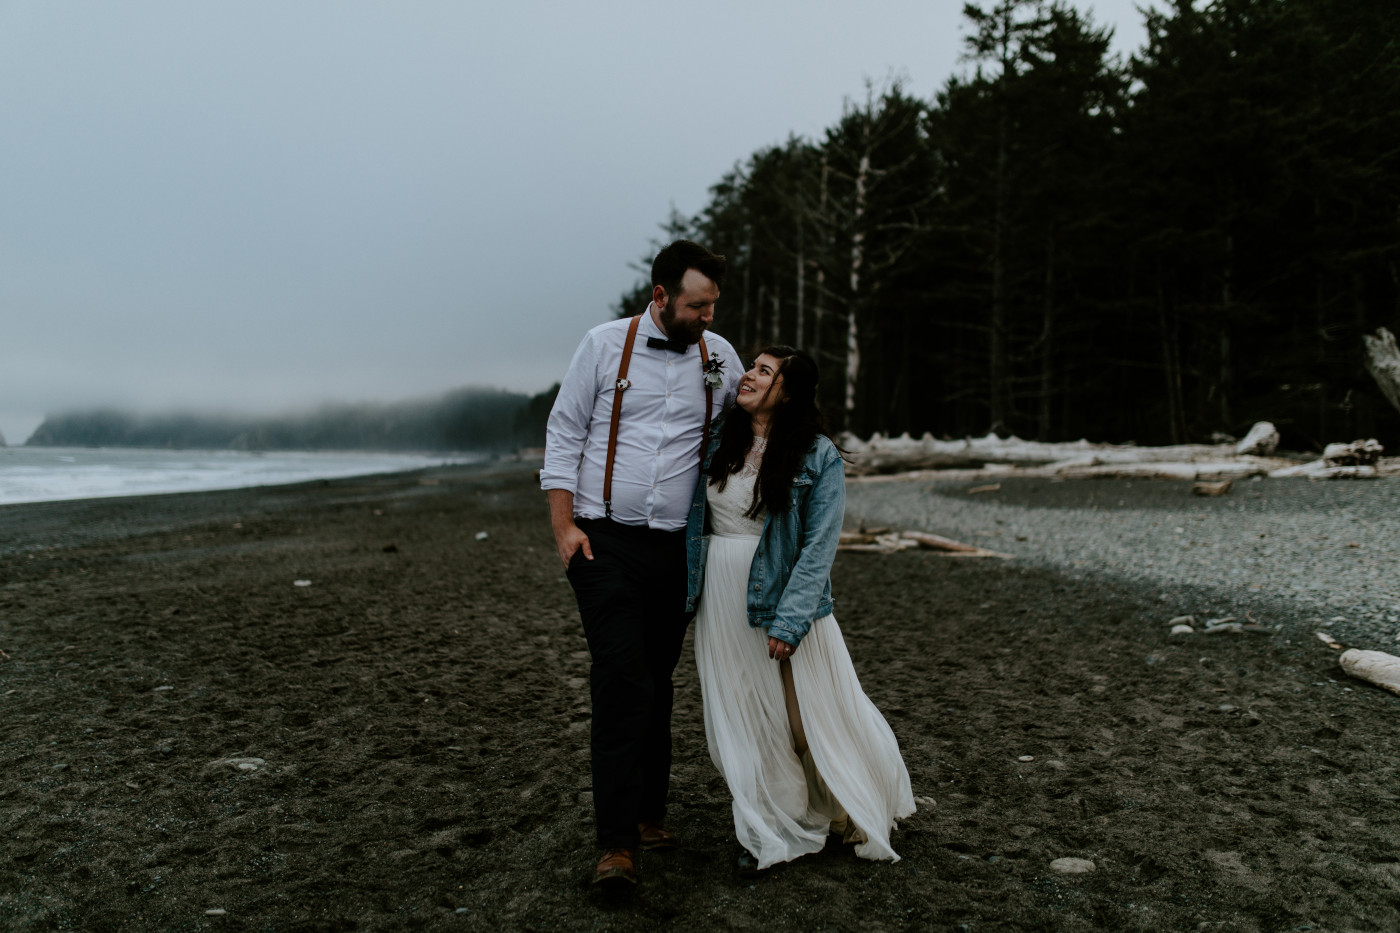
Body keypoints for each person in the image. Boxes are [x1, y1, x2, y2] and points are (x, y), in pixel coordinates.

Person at [541, 240, 744, 888]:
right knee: (621, 677)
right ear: (660, 297)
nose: (709, 315)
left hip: (679, 548)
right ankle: (616, 845)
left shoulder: (720, 359)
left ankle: (650, 813)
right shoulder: (603, 345)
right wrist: (564, 527)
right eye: (697, 304)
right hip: (603, 542)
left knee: (657, 677)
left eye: (713, 303)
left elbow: (755, 423)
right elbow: (565, 431)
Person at [684, 345, 915, 870]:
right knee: (746, 715)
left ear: (786, 391)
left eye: (763, 371)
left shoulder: (817, 454)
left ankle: (848, 801)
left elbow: (819, 547)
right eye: (751, 366)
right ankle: (775, 825)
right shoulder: (720, 438)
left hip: (784, 595)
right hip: (720, 595)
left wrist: (791, 619)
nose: (747, 375)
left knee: (805, 719)